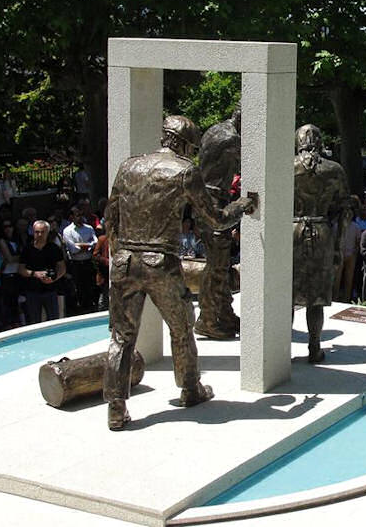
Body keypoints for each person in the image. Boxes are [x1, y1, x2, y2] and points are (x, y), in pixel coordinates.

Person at [103, 115, 256, 431]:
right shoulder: (185, 171)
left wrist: (119, 253)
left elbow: (110, 218)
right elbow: (216, 218)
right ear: (186, 144)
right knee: (182, 327)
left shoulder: (128, 166)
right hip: (160, 262)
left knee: (121, 336)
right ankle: (189, 389)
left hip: (123, 262)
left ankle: (116, 407)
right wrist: (243, 205)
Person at [292, 124, 351, 362]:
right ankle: (314, 348)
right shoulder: (333, 170)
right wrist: (338, 243)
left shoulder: (287, 167)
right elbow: (345, 211)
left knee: (286, 294)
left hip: (291, 231)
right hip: (322, 232)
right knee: (316, 298)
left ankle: (279, 351)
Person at [195, 108, 242, 339]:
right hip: (214, 202)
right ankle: (206, 319)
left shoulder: (215, 129)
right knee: (217, 265)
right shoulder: (232, 138)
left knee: (220, 264)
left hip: (207, 198)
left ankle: (224, 313)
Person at [18, 220, 66, 323]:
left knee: (54, 320)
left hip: (50, 290)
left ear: (47, 232)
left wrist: (54, 278)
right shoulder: (27, 249)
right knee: (34, 321)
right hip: (32, 291)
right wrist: (34, 274)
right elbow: (21, 269)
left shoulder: (53, 248)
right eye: (37, 232)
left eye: (42, 232)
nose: (39, 234)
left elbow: (62, 268)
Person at [62, 206, 98, 312]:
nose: (80, 218)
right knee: (78, 289)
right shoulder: (67, 231)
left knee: (90, 287)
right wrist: (86, 246)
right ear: (72, 217)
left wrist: (82, 246)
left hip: (88, 262)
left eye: (81, 215)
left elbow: (95, 243)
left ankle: (90, 308)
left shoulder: (89, 228)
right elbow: (73, 249)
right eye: (77, 216)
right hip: (76, 264)